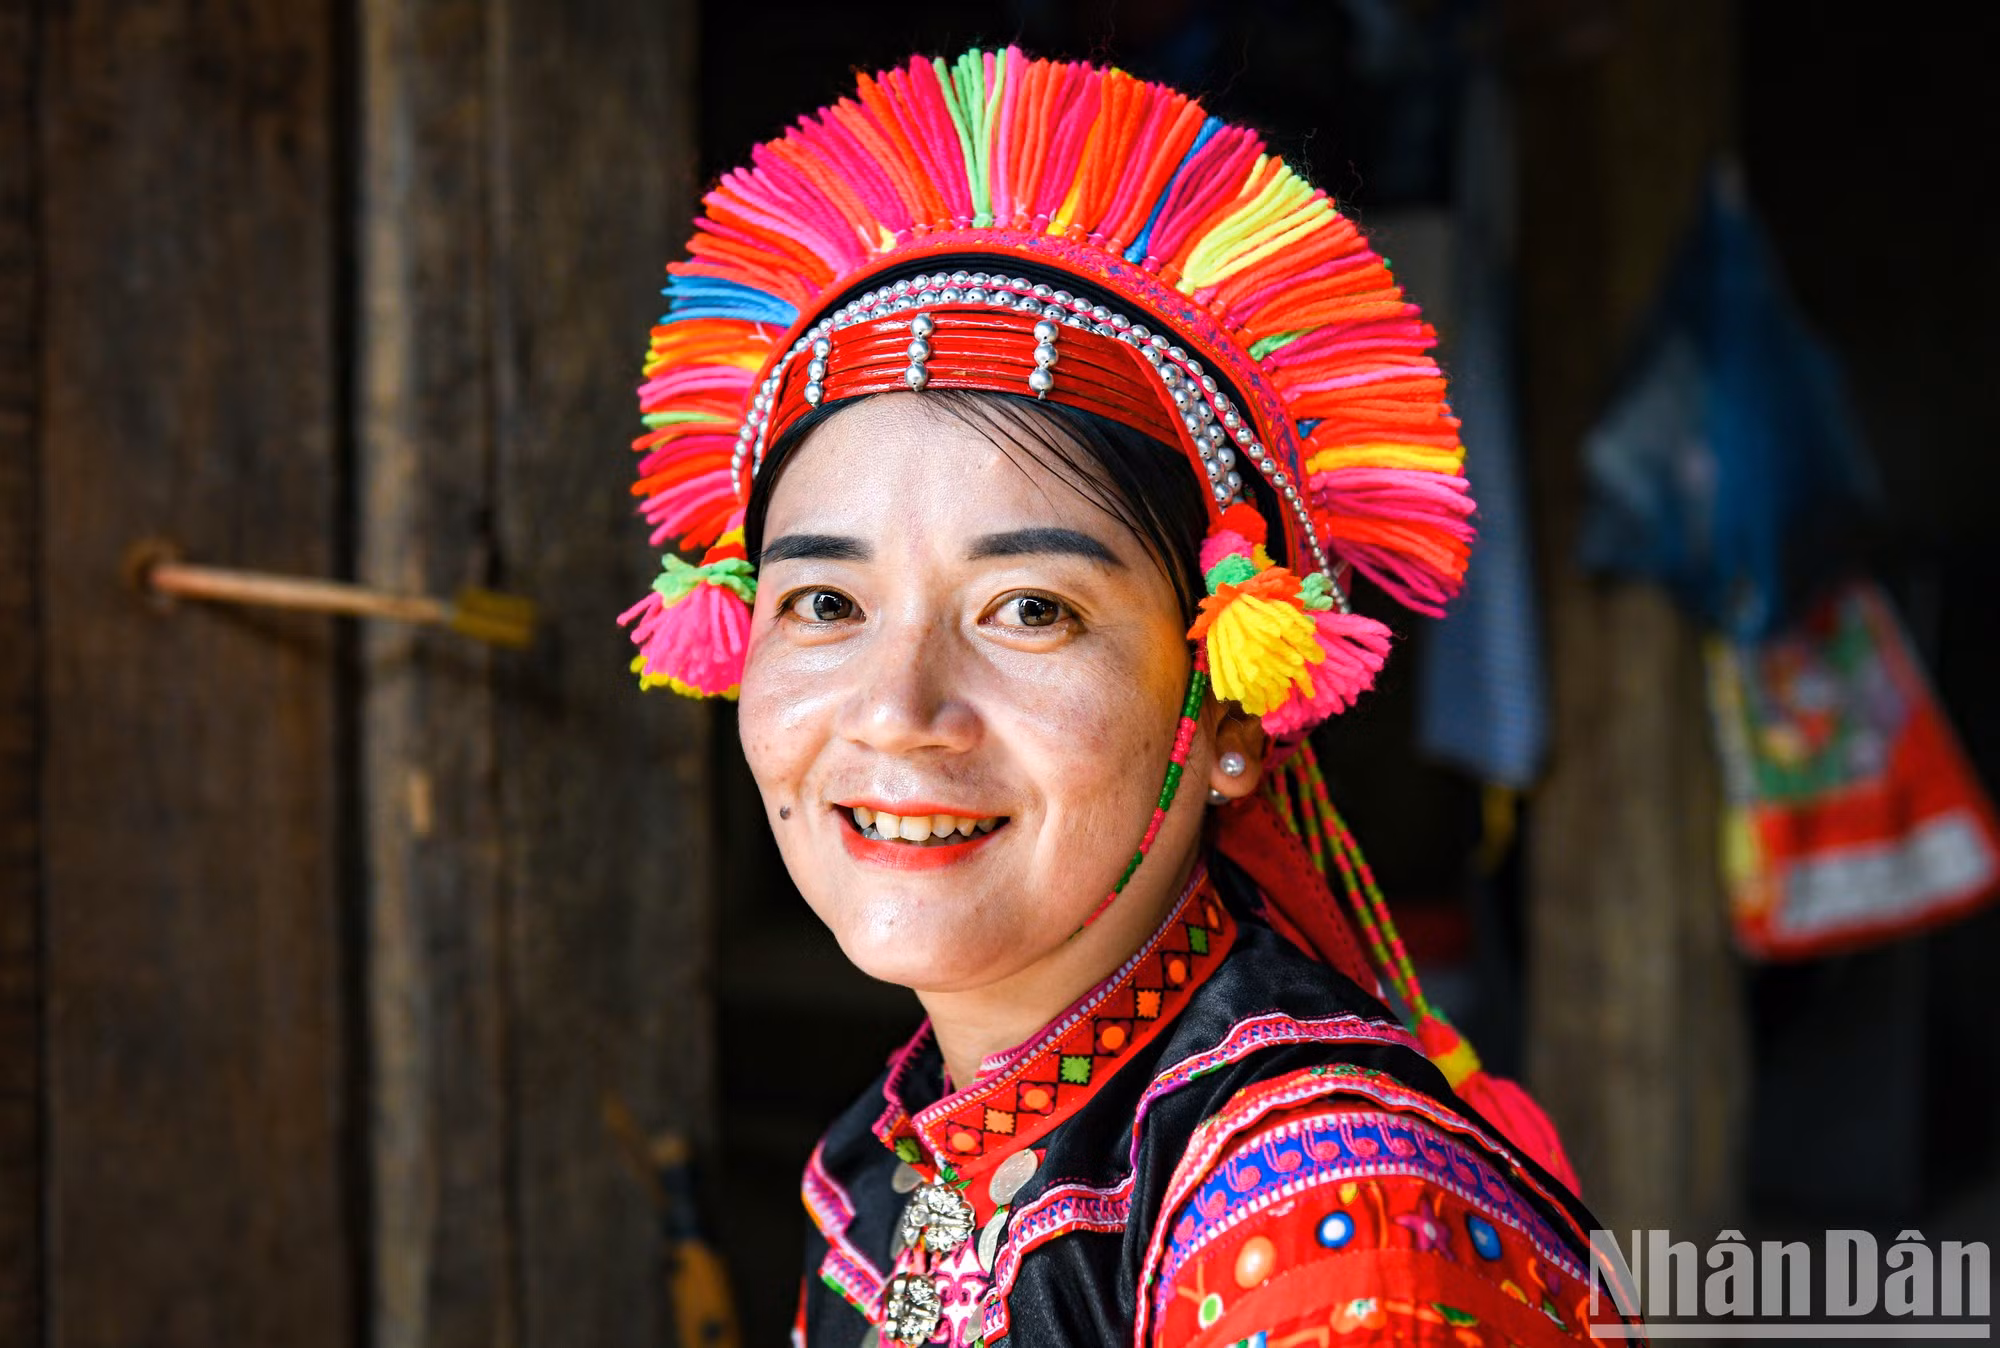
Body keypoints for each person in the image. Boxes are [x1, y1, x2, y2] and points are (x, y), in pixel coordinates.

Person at [619, 47, 1634, 1348]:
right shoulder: (885, 1165)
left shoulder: (1331, 1231)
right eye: (825, 604)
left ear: (1229, 719)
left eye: (1030, 611)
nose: (898, 710)